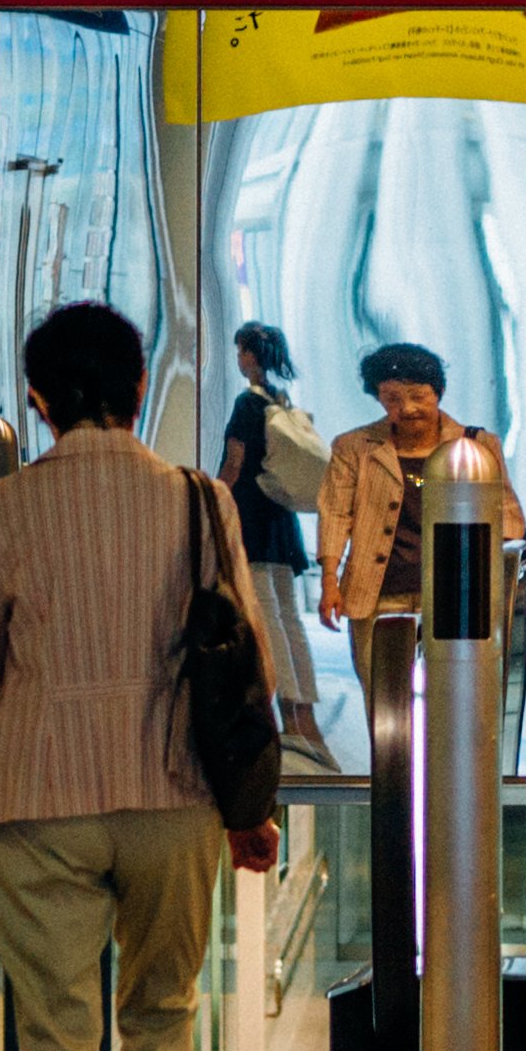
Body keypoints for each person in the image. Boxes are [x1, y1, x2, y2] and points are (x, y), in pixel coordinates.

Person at [0, 299, 278, 1051]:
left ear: (38, 401)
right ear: (140, 388)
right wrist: (246, 806)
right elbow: (244, 659)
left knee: (58, 1029)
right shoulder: (195, 499)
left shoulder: (3, 511)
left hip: (40, 795)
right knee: (162, 1013)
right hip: (172, 792)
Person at [314, 339, 525, 638]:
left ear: (437, 393)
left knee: (453, 683)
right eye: (392, 398)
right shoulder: (354, 447)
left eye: (418, 396)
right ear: (378, 398)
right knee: (381, 685)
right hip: (377, 596)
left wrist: (501, 586)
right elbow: (335, 515)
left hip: (456, 596)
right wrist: (329, 583)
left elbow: (508, 517)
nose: (407, 408)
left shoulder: (476, 446)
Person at [218, 323, 332, 763]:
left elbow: (234, 465)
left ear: (249, 354)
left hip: (250, 522)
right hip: (282, 524)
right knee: (290, 620)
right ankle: (306, 719)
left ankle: (289, 718)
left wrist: (213, 505)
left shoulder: (248, 404)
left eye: (240, 351)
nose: (239, 358)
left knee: (266, 621)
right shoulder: (283, 402)